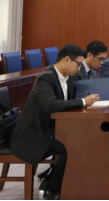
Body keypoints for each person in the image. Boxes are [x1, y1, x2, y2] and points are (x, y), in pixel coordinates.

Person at [9, 45, 100, 201]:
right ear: (66, 60)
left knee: (83, 141)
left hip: (52, 130)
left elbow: (76, 96)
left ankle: (60, 182)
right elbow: (50, 105)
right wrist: (83, 102)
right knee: (70, 148)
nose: (79, 68)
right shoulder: (46, 78)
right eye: (78, 64)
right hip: (33, 135)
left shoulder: (68, 78)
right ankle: (52, 190)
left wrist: (107, 92)